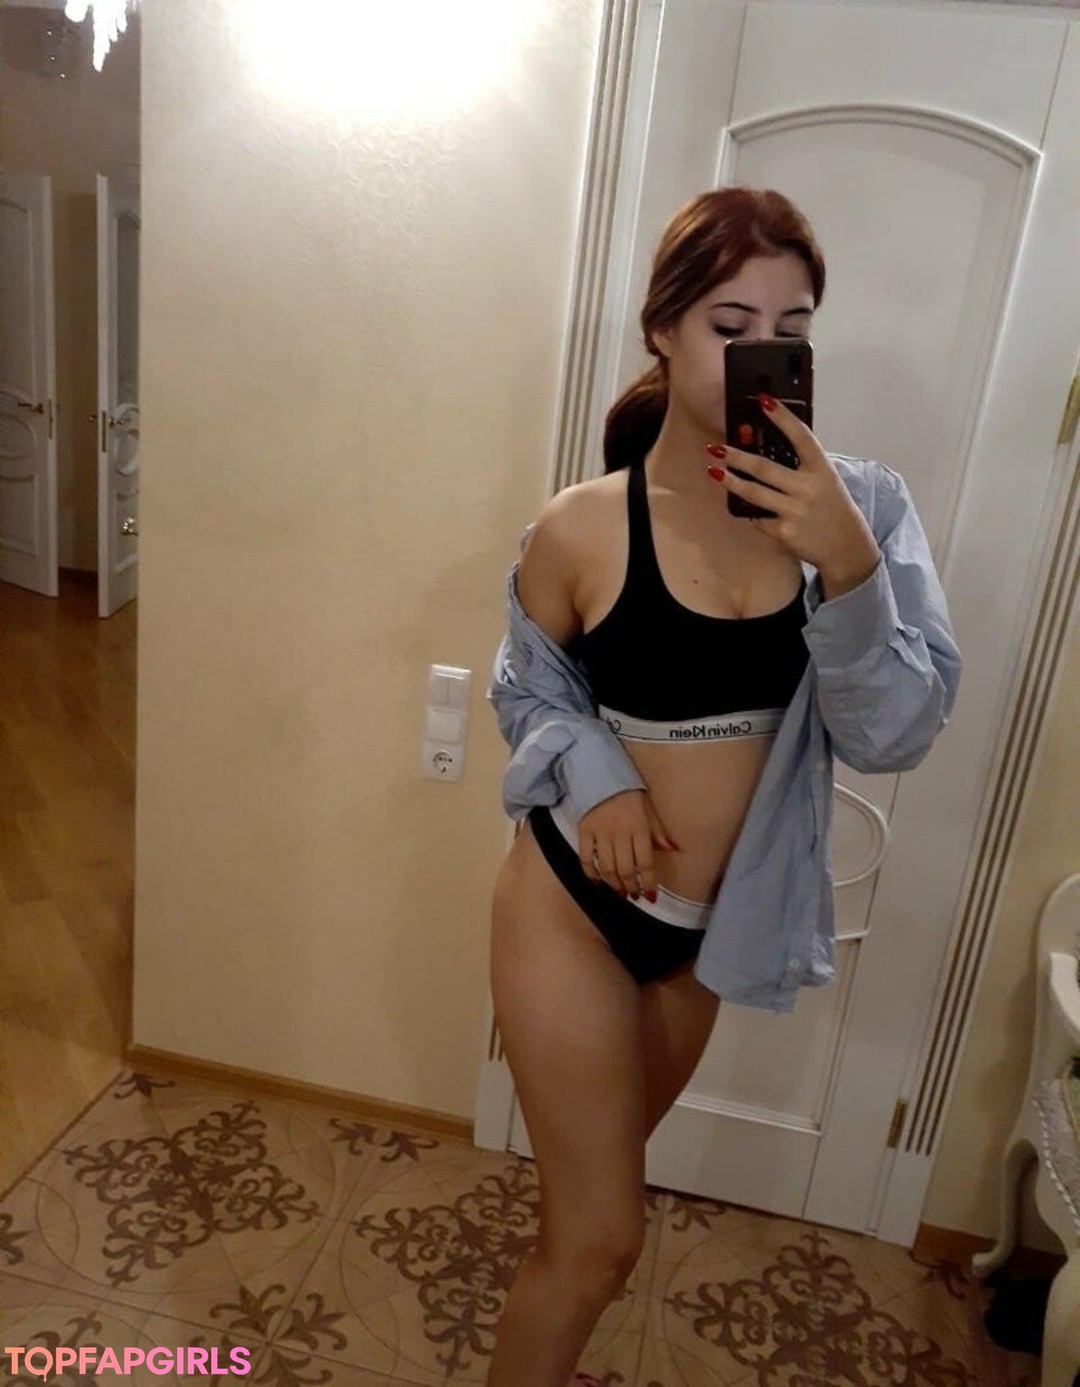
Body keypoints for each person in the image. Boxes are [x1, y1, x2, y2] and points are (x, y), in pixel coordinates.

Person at [483, 186, 962, 1387]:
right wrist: (597, 778)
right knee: (602, 1239)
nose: (765, 353)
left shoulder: (861, 512)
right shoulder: (584, 524)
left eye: (792, 329)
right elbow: (530, 688)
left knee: (587, 1222)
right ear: (662, 327)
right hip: (573, 906)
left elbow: (896, 733)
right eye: (729, 322)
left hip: (708, 928)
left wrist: (848, 566)